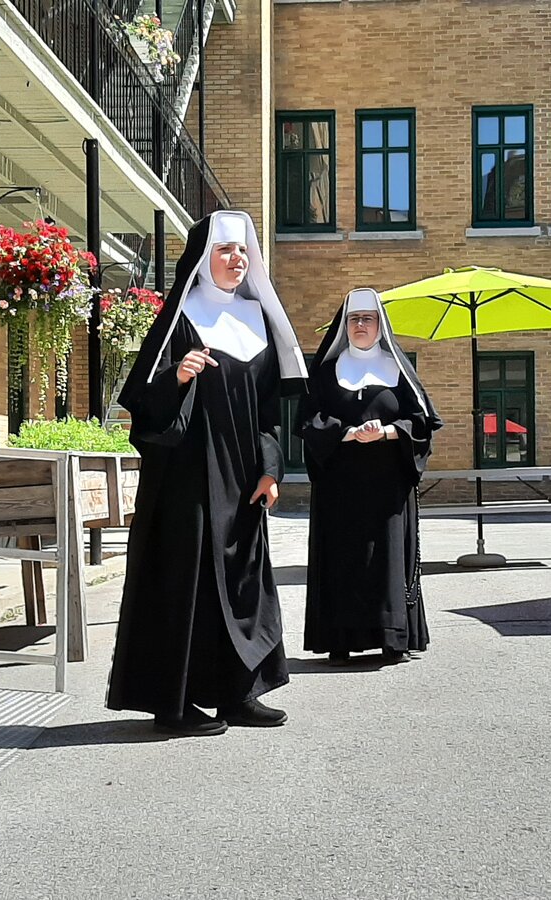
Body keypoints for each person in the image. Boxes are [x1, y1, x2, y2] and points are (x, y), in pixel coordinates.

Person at [106, 210, 308, 735]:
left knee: (243, 582)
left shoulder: (257, 319)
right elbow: (144, 407)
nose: (236, 259)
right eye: (224, 250)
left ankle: (238, 695)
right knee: (187, 586)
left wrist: (269, 468)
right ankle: (174, 705)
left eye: (242, 251)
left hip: (242, 477)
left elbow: (267, 413)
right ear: (202, 258)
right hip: (187, 478)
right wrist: (177, 375)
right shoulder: (180, 318)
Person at [296, 288, 442, 664]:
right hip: (339, 488)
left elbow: (422, 422)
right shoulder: (326, 373)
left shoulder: (397, 369)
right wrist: (346, 433)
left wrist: (389, 432)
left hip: (388, 487)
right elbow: (307, 421)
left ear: (380, 325)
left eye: (368, 319)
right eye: (354, 319)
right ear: (344, 326)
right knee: (342, 559)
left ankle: (393, 638)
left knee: (390, 559)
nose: (361, 325)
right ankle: (340, 638)